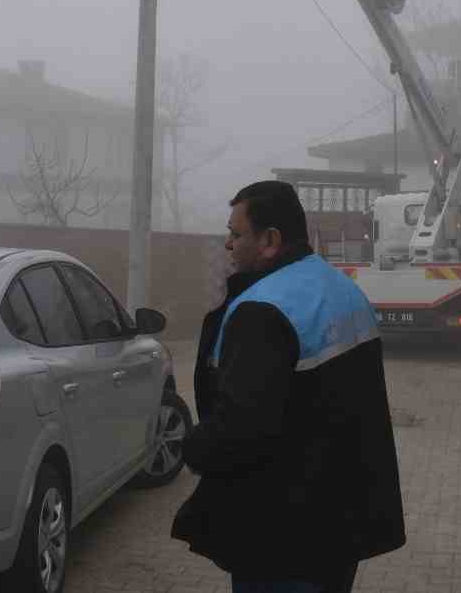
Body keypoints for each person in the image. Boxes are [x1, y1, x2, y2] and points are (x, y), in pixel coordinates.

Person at [172, 180, 406, 593]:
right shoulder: (342, 288)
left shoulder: (262, 310)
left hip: (282, 536)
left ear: (270, 240)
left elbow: (242, 426)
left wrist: (191, 447)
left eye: (236, 233)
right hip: (344, 521)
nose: (228, 244)